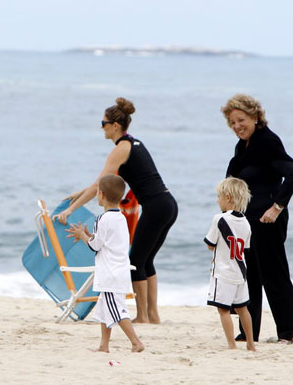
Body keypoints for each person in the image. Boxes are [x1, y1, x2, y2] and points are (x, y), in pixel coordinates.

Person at [54, 97, 177, 324]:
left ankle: (142, 316)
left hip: (156, 207)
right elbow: (105, 183)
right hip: (167, 204)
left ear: (115, 126)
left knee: (136, 261)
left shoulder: (120, 149)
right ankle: (153, 316)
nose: (101, 127)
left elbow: (100, 185)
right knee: (146, 261)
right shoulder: (133, 143)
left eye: (103, 123)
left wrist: (70, 210)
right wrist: (79, 194)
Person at [221, 94, 293, 344]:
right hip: (246, 221)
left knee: (274, 275)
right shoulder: (243, 145)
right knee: (249, 276)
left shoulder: (267, 141)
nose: (237, 126)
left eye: (241, 120)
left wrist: (276, 207)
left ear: (255, 117)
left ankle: (288, 334)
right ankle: (249, 331)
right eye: (232, 122)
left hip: (268, 220)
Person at [66, 174, 144, 353]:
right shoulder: (121, 218)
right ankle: (104, 345)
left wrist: (82, 236)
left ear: (100, 194)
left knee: (116, 310)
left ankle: (136, 342)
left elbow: (95, 246)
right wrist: (90, 234)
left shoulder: (102, 218)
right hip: (120, 271)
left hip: (110, 273)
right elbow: (107, 242)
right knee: (104, 309)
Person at [204, 177, 256, 351]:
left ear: (228, 197)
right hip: (240, 272)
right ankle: (250, 343)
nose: (217, 200)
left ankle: (232, 345)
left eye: (219, 196)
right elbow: (245, 249)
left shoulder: (220, 219)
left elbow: (210, 244)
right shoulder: (246, 223)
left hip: (223, 271)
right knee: (243, 309)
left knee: (223, 310)